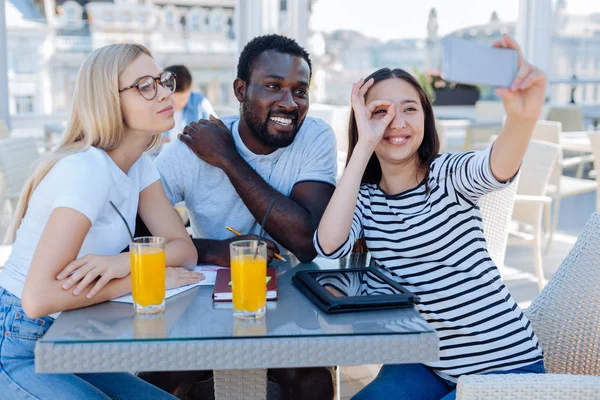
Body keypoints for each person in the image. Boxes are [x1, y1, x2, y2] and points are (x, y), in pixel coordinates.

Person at [315, 36, 547, 400]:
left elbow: (496, 166)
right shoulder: (367, 198)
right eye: (380, 111)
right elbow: (329, 244)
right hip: (431, 363)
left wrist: (522, 118)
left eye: (409, 109)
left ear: (426, 117)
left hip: (505, 367)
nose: (397, 122)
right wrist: (363, 143)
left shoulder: (447, 175)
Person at [139, 34, 337, 400]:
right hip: (202, 297)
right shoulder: (193, 146)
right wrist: (212, 249)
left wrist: (229, 159)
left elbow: (307, 242)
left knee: (312, 379)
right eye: (273, 86)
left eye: (300, 91)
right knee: (157, 373)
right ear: (241, 90)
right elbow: (136, 233)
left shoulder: (314, 136)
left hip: (288, 295)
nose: (289, 102)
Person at [0, 43, 202, 399]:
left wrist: (121, 264)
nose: (163, 93)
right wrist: (140, 280)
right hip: (17, 341)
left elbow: (184, 250)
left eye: (162, 80)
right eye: (144, 85)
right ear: (108, 100)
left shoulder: (138, 165)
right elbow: (37, 298)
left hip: (71, 336)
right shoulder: (85, 171)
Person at [161, 64, 217, 146]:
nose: (176, 104)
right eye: (171, 99)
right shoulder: (154, 105)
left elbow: (216, 132)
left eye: (182, 99)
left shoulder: (200, 103)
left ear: (191, 89)